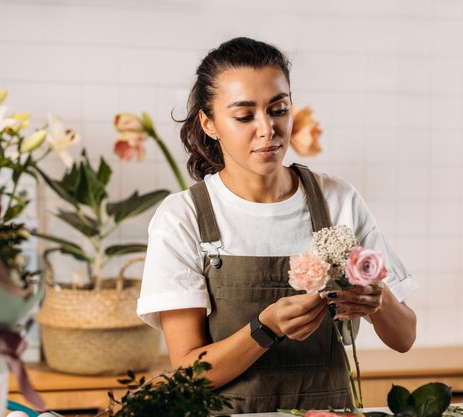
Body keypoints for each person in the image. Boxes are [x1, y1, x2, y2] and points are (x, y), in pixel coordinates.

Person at [136, 37, 418, 414]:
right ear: (210, 123)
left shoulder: (338, 200)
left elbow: (404, 338)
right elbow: (189, 372)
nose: (267, 129)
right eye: (244, 116)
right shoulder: (182, 217)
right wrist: (265, 328)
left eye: (278, 109)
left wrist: (377, 298)